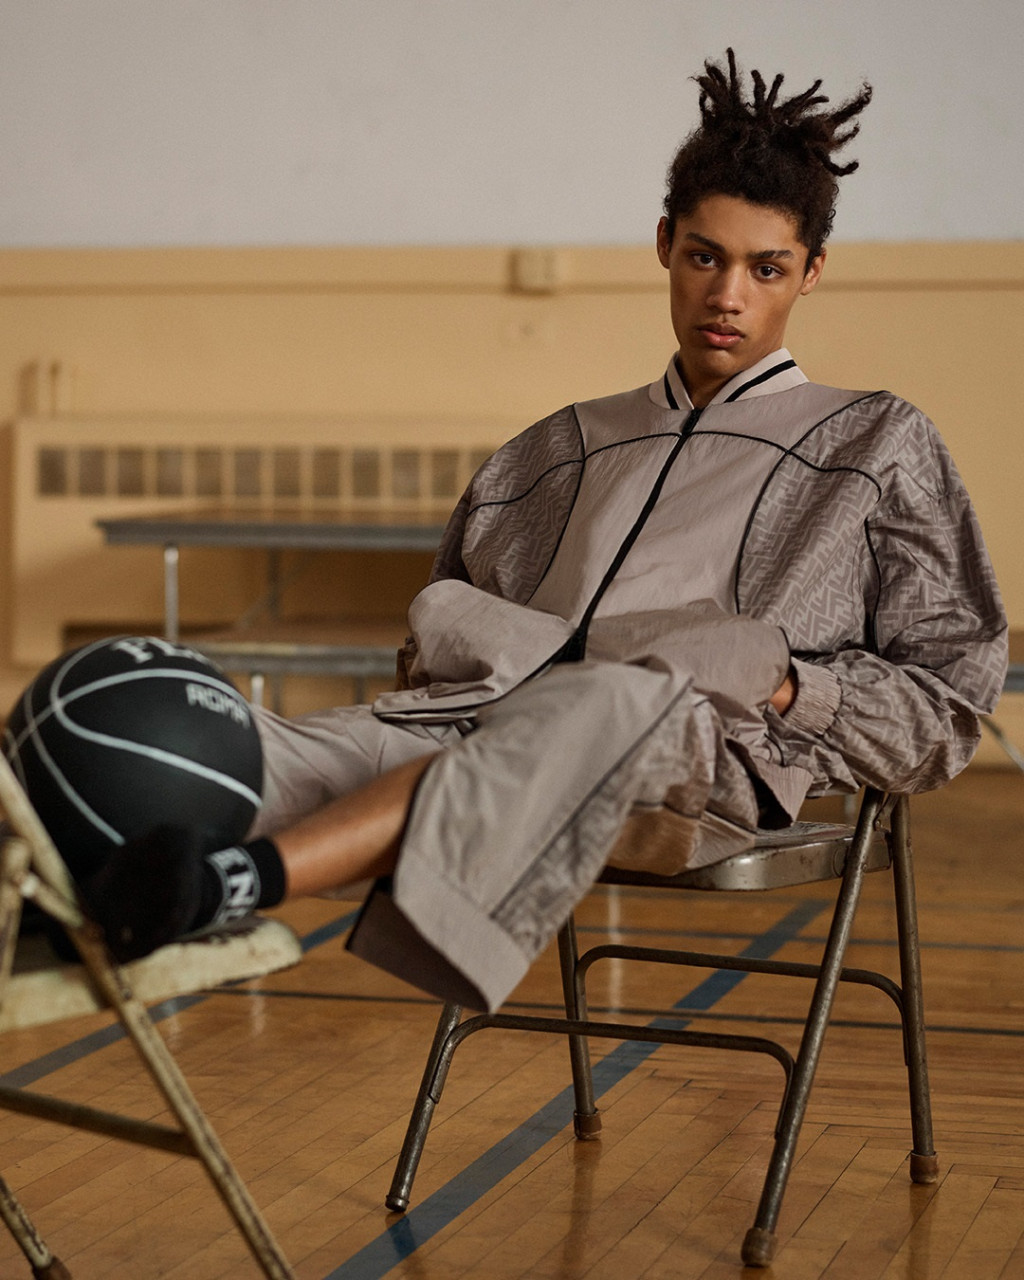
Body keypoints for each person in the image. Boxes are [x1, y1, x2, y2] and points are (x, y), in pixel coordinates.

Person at [81, 50, 1006, 1011]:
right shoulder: (553, 450)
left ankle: (239, 885)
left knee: (597, 706)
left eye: (765, 268)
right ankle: (69, 884)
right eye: (705, 257)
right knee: (233, 749)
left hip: (701, 767)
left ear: (810, 273)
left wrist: (786, 686)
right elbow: (435, 662)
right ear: (664, 244)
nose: (728, 296)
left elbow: (947, 706)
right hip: (484, 733)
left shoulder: (878, 445)